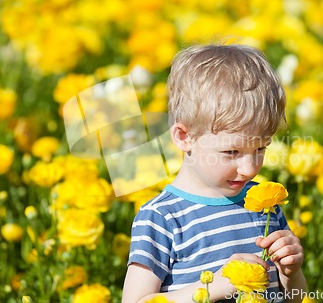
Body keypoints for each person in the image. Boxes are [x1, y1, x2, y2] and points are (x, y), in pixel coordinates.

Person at [122, 44, 306, 303]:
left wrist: (290, 273)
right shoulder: (162, 218)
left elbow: (294, 298)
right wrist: (213, 287)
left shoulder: (264, 203)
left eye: (261, 148)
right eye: (232, 152)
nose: (250, 168)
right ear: (184, 137)